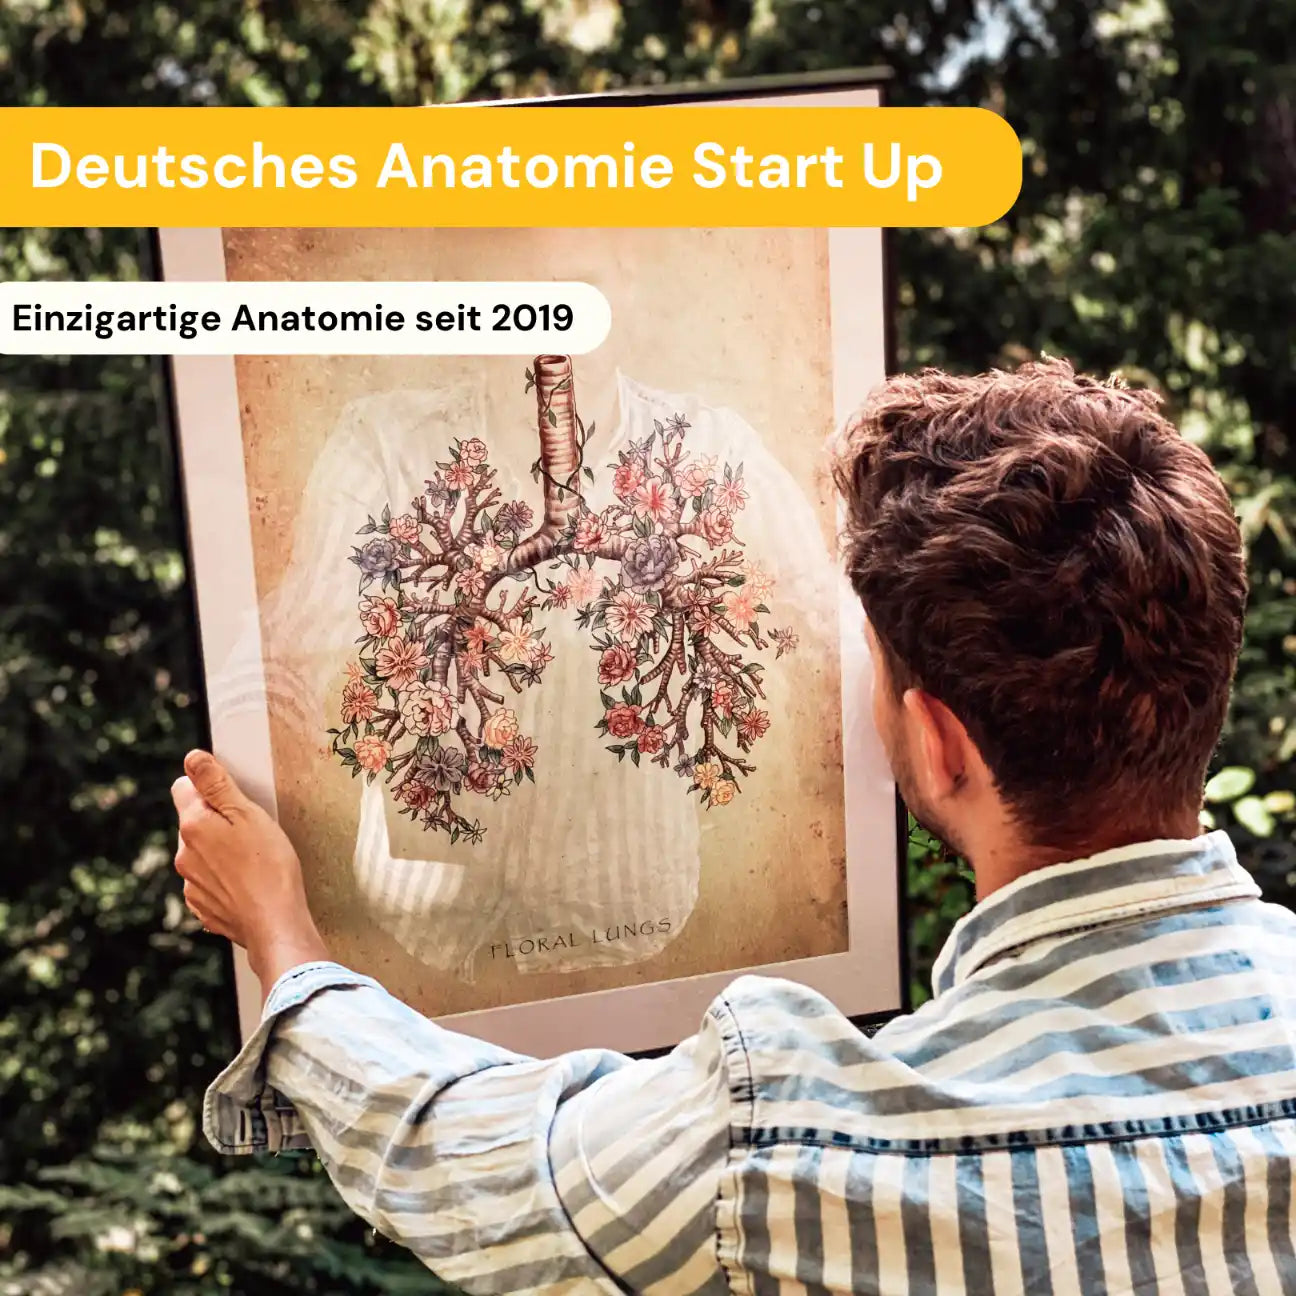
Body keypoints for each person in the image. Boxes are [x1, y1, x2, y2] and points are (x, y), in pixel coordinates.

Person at [173, 358, 1296, 1295]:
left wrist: (284, 943)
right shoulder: (388, 442)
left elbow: (462, 1157)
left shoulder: (808, 1144)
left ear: (941, 745)